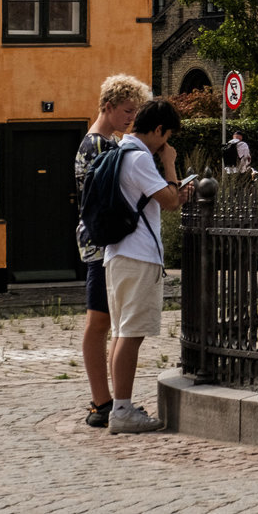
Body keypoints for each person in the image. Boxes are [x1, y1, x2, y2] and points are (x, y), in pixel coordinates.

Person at [104, 97, 195, 434]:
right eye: (167, 135)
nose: (167, 143)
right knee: (131, 334)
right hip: (137, 255)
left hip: (118, 254)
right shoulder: (140, 157)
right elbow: (169, 201)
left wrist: (172, 189)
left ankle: (120, 406)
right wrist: (170, 164)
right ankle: (123, 412)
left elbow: (159, 198)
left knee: (121, 333)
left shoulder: (121, 151)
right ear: (158, 129)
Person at [74, 73, 150, 430]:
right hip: (99, 245)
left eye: (134, 112)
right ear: (108, 106)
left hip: (99, 243)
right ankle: (101, 400)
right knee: (99, 321)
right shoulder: (98, 146)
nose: (130, 118)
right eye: (126, 110)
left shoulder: (106, 143)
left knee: (104, 321)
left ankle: (104, 399)